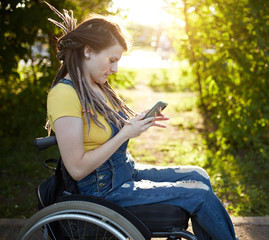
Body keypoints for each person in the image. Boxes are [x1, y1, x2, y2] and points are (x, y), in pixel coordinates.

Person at [44, 2, 237, 240]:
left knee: (199, 175)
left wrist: (137, 123)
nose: (115, 69)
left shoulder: (95, 86)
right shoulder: (64, 94)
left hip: (124, 172)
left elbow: (108, 132)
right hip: (103, 191)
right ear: (88, 51)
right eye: (112, 59)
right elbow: (76, 169)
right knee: (199, 195)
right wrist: (125, 133)